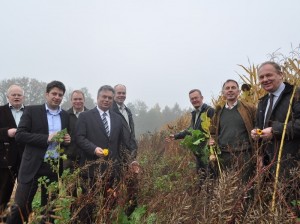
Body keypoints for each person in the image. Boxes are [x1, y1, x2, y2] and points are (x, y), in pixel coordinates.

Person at [6, 80, 71, 224]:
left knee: (49, 208)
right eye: (54, 93)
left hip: (53, 166)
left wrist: (66, 140)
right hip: (32, 165)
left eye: (60, 95)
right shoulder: (32, 111)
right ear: (46, 94)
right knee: (21, 205)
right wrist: (47, 138)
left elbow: (65, 142)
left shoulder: (65, 116)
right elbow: (20, 135)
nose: (57, 97)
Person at [75, 85, 131, 223]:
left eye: (109, 98)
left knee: (108, 205)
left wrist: (129, 161)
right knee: (89, 206)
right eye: (104, 97)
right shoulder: (85, 116)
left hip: (112, 170)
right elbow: (80, 138)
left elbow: (122, 143)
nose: (106, 100)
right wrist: (94, 149)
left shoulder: (117, 118)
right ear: (97, 98)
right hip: (91, 169)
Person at [250, 61, 300, 208]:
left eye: (269, 75)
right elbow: (261, 126)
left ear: (280, 74)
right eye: (261, 77)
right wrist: (256, 134)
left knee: (291, 206)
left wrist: (274, 130)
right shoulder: (263, 101)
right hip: (269, 163)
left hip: (291, 164)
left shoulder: (296, 95)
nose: (265, 79)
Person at [209, 79, 256, 182]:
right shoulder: (218, 112)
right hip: (224, 155)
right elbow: (213, 132)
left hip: (244, 154)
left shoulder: (249, 108)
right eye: (227, 88)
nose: (230, 90)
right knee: (227, 186)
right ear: (223, 93)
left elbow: (257, 126)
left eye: (233, 88)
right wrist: (211, 140)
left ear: (238, 92)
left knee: (245, 186)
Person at [166, 89, 214, 180]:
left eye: (196, 98)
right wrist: (176, 136)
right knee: (201, 178)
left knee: (210, 178)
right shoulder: (195, 113)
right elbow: (191, 130)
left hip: (208, 153)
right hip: (199, 153)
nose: (194, 100)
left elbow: (216, 129)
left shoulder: (210, 111)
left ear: (202, 98)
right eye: (192, 99)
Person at [112, 84, 139, 216]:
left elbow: (131, 133)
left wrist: (133, 153)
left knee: (131, 185)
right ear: (114, 94)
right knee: (115, 186)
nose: (121, 95)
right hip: (117, 156)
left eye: (123, 93)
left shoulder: (127, 111)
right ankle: (113, 214)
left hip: (130, 154)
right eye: (119, 93)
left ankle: (129, 213)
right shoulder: (110, 110)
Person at [0, 85, 25, 219]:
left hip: (25, 159)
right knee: (3, 192)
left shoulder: (29, 112)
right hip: (5, 159)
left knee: (24, 193)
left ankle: (19, 218)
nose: (16, 97)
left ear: (23, 97)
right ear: (7, 96)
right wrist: (6, 133)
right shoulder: (1, 111)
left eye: (19, 95)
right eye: (13, 95)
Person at [64, 90, 89, 171]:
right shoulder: (65, 115)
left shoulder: (91, 115)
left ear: (84, 100)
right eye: (75, 99)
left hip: (87, 157)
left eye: (80, 99)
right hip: (69, 158)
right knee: (68, 182)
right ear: (71, 100)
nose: (78, 101)